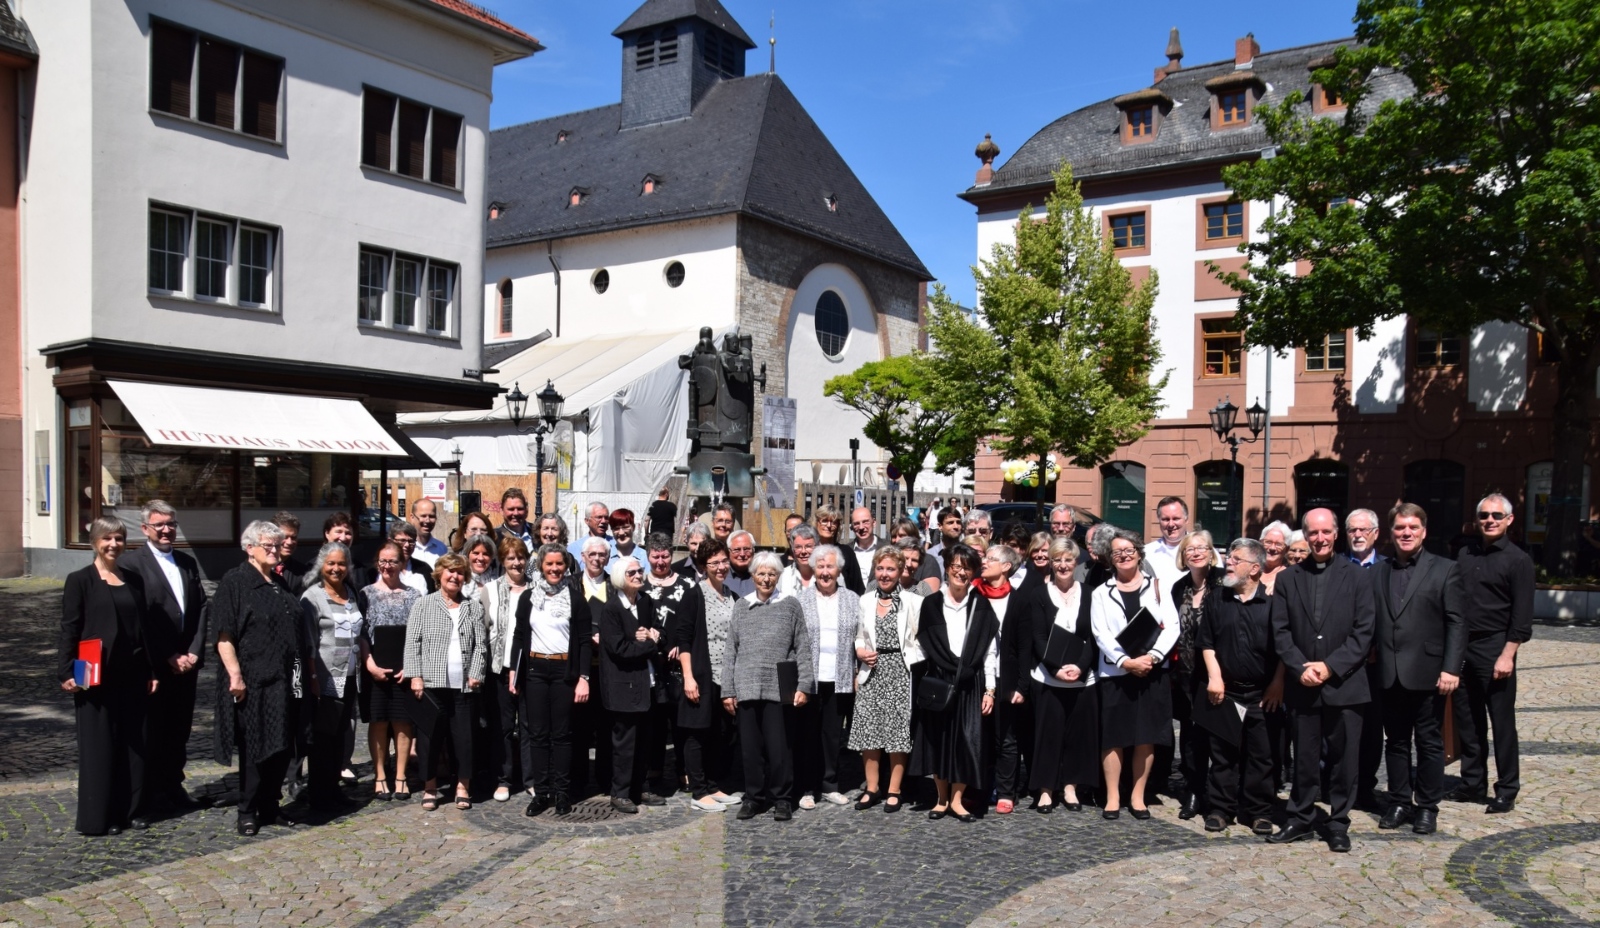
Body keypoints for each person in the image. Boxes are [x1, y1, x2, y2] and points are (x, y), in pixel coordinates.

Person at [1267, 508, 1375, 853]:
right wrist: (1301, 667)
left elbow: (1364, 632)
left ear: (1336, 534)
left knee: (1345, 760)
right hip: (1303, 685)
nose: (1320, 538)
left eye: (1326, 532)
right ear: (1305, 536)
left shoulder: (1358, 577)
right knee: (1305, 756)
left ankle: (1339, 822)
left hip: (1345, 684)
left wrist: (1329, 667)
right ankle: (1300, 816)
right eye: (1313, 533)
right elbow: (1280, 631)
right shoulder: (1288, 578)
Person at [59, 516, 155, 835]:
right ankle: (103, 815)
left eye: (119, 538)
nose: (113, 544)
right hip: (92, 673)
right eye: (107, 539)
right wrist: (68, 671)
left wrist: (152, 670)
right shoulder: (80, 580)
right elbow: (70, 628)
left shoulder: (134, 579)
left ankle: (133, 810)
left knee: (134, 744)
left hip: (133, 673)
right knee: (100, 746)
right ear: (94, 543)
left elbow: (144, 631)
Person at [214, 520, 311, 836]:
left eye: (276, 544)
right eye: (267, 545)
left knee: (281, 747)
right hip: (255, 682)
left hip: (286, 681)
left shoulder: (279, 583)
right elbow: (225, 634)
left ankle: (271, 805)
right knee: (255, 748)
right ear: (249, 547)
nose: (274, 549)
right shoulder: (236, 581)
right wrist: (235, 676)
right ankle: (247, 810)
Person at [1374, 502, 1465, 835]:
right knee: (1395, 742)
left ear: (1424, 531)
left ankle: (1427, 806)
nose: (1406, 533)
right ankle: (1399, 801)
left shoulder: (1445, 569)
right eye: (1400, 528)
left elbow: (1457, 622)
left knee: (1429, 742)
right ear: (1391, 532)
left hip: (1429, 673)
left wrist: (1452, 668)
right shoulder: (1378, 571)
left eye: (1413, 527)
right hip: (1388, 670)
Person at [1450, 493, 1534, 814]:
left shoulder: (1518, 560)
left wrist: (1507, 654)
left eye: (1497, 516)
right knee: (1468, 721)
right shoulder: (1464, 554)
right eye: (1484, 515)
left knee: (1501, 722)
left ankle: (1506, 789)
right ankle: (1472, 783)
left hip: (1495, 646)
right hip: (1462, 646)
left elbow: (1522, 617)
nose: (1490, 520)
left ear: (1509, 520)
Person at [121, 500, 208, 811]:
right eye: (160, 525)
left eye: (171, 523)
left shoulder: (187, 562)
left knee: (179, 728)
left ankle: (174, 785)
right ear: (145, 528)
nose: (167, 530)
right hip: (156, 665)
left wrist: (195, 652)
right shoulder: (132, 564)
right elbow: (141, 619)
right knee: (154, 729)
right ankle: (152, 791)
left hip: (188, 664)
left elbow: (201, 609)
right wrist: (168, 654)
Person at [1090, 529, 1180, 820]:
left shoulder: (1157, 587)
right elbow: (1100, 632)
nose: (1124, 555)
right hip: (1116, 673)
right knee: (1113, 737)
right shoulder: (1101, 592)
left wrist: (1152, 658)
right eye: (1117, 552)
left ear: (1140, 554)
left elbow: (1172, 626)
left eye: (1129, 550)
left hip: (1152, 672)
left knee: (1145, 736)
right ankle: (1113, 796)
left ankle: (1137, 796)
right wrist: (1125, 661)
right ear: (1110, 559)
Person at [1199, 538, 1283, 835]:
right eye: (1228, 557)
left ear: (1256, 568)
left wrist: (1277, 684)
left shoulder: (1273, 603)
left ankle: (1258, 811)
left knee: (1262, 756)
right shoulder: (1216, 599)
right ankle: (1220, 810)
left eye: (1236, 559)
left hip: (1263, 693)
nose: (1228, 563)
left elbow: (1285, 648)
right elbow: (1206, 643)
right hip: (1226, 690)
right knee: (1222, 755)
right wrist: (1214, 676)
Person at [724, 552, 813, 820]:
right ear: (753, 576)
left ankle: (783, 799)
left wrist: (804, 685)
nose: (766, 578)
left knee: (780, 749)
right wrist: (727, 690)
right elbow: (731, 651)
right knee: (750, 750)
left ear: (778, 576)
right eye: (761, 573)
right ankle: (753, 798)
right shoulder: (741, 606)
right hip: (747, 687)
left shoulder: (790, 605)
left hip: (779, 688)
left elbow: (803, 648)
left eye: (771, 574)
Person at [911, 544, 997, 821]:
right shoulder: (932, 603)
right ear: (947, 568)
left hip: (970, 683)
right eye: (956, 566)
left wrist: (990, 690)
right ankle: (941, 798)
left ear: (974, 572)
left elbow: (989, 651)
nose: (960, 571)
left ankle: (958, 800)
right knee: (937, 741)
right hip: (939, 683)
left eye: (967, 567)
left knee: (967, 743)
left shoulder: (981, 605)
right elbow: (922, 645)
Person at [509, 543, 594, 817]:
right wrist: (514, 670)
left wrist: (583, 677)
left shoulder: (575, 598)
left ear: (566, 566)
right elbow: (519, 636)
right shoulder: (528, 598)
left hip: (563, 672)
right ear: (541, 566)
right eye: (550, 564)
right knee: (537, 734)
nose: (555, 569)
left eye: (559, 564)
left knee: (562, 735)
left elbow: (583, 641)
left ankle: (562, 793)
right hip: (534, 670)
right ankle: (540, 793)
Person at [403, 553, 487, 812]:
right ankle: (429, 787)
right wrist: (415, 676)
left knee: (465, 739)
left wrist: (476, 673)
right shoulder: (423, 604)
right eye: (450, 571)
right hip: (431, 684)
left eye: (460, 572)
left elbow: (481, 645)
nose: (455, 576)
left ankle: (462, 786)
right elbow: (412, 642)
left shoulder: (473, 606)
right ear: (439, 574)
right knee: (429, 739)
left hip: (464, 685)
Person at [1021, 537, 1099, 813]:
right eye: (1057, 560)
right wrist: (1056, 668)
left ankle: (1071, 787)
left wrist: (1080, 667)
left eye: (1068, 560)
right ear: (1050, 563)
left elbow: (1092, 636)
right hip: (1048, 678)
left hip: (1083, 678)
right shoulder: (1039, 595)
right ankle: (1045, 790)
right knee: (1048, 736)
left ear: (1075, 562)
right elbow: (1038, 637)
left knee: (1077, 736)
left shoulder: (1091, 593)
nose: (1063, 565)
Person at [848, 546, 924, 813]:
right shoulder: (866, 600)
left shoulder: (913, 602)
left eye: (890, 568)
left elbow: (919, 639)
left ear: (900, 571)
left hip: (901, 673)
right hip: (872, 670)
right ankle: (872, 788)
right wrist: (859, 650)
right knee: (869, 733)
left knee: (897, 734)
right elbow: (859, 635)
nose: (884, 573)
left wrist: (913, 661)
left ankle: (894, 790)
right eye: (880, 568)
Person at [675, 539, 742, 811]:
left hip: (726, 677)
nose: (721, 567)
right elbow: (684, 639)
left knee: (721, 734)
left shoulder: (733, 596)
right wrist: (689, 677)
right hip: (702, 674)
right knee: (697, 734)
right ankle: (699, 791)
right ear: (704, 566)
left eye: (724, 561)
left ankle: (714, 786)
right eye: (714, 563)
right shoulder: (694, 594)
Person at [793, 544, 861, 809]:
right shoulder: (801, 599)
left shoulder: (852, 599)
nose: (824, 572)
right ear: (813, 569)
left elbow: (860, 636)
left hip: (840, 676)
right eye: (820, 566)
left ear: (839, 569)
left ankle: (830, 784)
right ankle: (807, 788)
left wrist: (856, 671)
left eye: (829, 566)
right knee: (808, 734)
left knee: (832, 735)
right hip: (810, 678)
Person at [301, 542, 366, 813]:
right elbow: (308, 642)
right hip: (326, 677)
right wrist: (313, 676)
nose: (336, 568)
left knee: (340, 737)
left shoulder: (350, 593)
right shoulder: (311, 597)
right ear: (321, 566)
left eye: (341, 563)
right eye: (331, 564)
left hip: (350, 676)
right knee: (323, 740)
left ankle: (334, 789)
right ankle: (319, 794)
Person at [597, 556, 666, 813]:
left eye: (640, 570)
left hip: (646, 683)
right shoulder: (612, 609)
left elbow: (657, 631)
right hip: (622, 686)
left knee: (645, 740)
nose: (638, 575)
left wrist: (654, 636)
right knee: (624, 743)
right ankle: (621, 792)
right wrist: (648, 643)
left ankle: (641, 786)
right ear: (619, 578)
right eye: (632, 573)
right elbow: (619, 649)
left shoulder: (646, 601)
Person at [362, 542, 421, 802]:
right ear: (377, 563)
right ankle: (379, 776)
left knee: (402, 722)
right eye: (383, 561)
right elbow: (361, 633)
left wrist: (411, 666)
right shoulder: (365, 594)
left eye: (393, 561)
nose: (387, 566)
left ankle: (400, 777)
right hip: (374, 666)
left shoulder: (415, 595)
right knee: (379, 721)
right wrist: (369, 664)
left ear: (402, 564)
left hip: (404, 667)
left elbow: (419, 635)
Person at [1171, 530, 1223, 820]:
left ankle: (1220, 795)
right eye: (1190, 549)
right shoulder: (1179, 588)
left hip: (1219, 672)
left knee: (1220, 735)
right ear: (1183, 555)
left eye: (1202, 547)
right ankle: (1194, 791)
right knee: (1191, 737)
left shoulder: (1223, 583)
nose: (1196, 553)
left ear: (1211, 551)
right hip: (1187, 675)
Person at [977, 542, 1029, 813]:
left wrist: (1021, 685)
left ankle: (1006, 791)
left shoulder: (1018, 600)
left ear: (1007, 567)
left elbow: (1024, 647)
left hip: (1006, 681)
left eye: (991, 559)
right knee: (980, 737)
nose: (984, 562)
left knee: (1007, 739)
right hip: (978, 680)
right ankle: (982, 788)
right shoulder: (975, 595)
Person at [481, 536, 533, 803]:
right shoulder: (490, 589)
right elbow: (483, 631)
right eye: (511, 558)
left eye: (521, 557)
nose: (517, 562)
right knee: (501, 727)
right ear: (502, 561)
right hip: (499, 669)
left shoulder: (536, 589)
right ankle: (503, 780)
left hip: (529, 668)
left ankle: (530, 779)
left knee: (528, 726)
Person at [642, 532, 694, 794]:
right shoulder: (639, 584)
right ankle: (654, 770)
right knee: (653, 723)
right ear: (648, 555)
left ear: (671, 555)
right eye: (655, 556)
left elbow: (691, 623)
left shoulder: (687, 585)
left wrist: (680, 645)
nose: (660, 562)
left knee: (680, 722)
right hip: (649, 666)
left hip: (677, 665)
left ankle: (684, 770)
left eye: (665, 556)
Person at [814, 505, 864, 594]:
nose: (829, 525)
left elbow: (857, 587)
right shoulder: (810, 551)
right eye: (824, 521)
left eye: (833, 522)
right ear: (817, 523)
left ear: (838, 526)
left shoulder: (847, 553)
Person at [1144, 497, 1189, 592]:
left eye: (1176, 518)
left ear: (1186, 519)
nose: (1171, 524)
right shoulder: (1146, 553)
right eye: (1165, 519)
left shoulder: (1203, 552)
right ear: (1159, 521)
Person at [390, 522, 438, 595]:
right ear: (390, 541)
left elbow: (433, 597)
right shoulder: (378, 571)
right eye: (402, 541)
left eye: (411, 541)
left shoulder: (424, 569)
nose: (407, 545)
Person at [777, 524, 819, 598]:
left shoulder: (827, 574)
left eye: (808, 546)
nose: (803, 551)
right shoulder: (783, 575)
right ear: (793, 549)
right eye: (798, 547)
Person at [273, 511, 309, 595]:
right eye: (284, 537)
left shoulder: (303, 573)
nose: (289, 542)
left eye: (293, 537)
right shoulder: (260, 569)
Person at [847, 506, 884, 585]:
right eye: (856, 523)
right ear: (852, 527)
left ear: (873, 523)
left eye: (865, 522)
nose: (861, 527)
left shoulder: (887, 548)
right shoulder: (846, 552)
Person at [461, 534, 501, 599]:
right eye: (476, 553)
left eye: (486, 554)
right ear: (467, 555)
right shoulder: (460, 580)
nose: (481, 558)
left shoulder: (499, 580)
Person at [1259, 521, 1292, 595]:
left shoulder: (1290, 576)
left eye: (1278, 544)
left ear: (1286, 549)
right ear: (1260, 543)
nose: (1272, 548)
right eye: (1268, 542)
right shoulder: (1250, 570)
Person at [412, 499, 447, 566]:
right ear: (412, 517)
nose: (427, 521)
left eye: (431, 516)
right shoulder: (405, 547)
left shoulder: (441, 548)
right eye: (423, 516)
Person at [725, 530, 758, 598]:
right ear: (729, 552)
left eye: (746, 549)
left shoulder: (761, 575)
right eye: (737, 550)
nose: (742, 554)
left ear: (753, 551)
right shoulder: (721, 576)